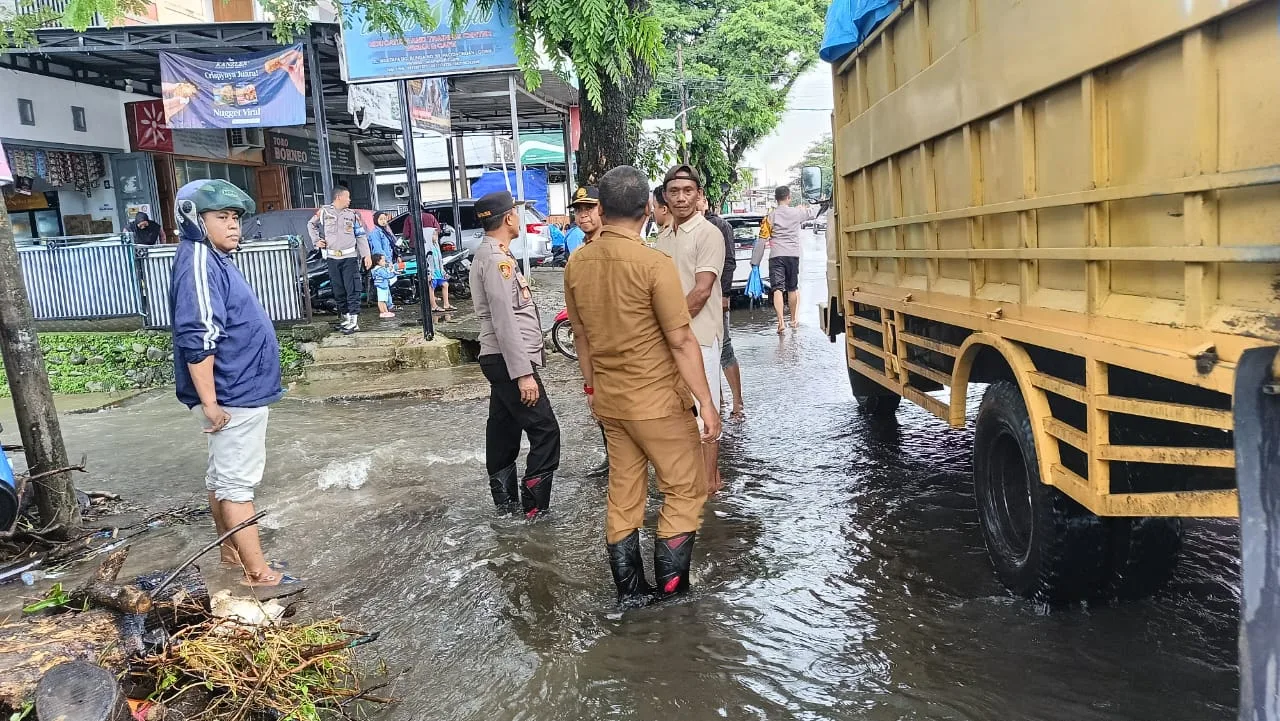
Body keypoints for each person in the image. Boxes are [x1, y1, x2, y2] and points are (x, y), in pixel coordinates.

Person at [565, 165, 720, 605]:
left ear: (604, 208)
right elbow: (681, 338)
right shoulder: (655, 263)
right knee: (684, 490)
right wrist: (706, 403)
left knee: (625, 493)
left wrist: (593, 390)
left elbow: (580, 336)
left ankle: (630, 596)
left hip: (611, 403)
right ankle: (672, 597)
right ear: (648, 209)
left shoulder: (577, 263)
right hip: (657, 404)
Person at [169, 179, 293, 587]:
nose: (233, 226)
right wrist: (210, 402)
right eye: (221, 217)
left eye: (235, 217)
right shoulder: (200, 261)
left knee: (221, 480)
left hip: (236, 390)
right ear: (193, 219)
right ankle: (259, 574)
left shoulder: (210, 258)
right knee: (237, 486)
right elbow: (198, 337)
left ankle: (231, 557)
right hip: (232, 393)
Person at [469, 190, 561, 519]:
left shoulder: (492, 254)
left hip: (500, 359)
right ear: (508, 218)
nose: (518, 219)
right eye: (517, 214)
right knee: (546, 431)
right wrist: (523, 374)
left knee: (503, 430)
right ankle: (533, 511)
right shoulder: (496, 260)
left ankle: (506, 508)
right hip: (507, 360)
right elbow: (503, 319)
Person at [656, 165, 726, 496]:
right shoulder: (662, 237)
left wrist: (668, 327)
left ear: (699, 196)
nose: (681, 197)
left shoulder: (708, 234)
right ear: (665, 198)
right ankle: (690, 484)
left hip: (700, 341)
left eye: (688, 191)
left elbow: (701, 292)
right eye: (674, 192)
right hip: (669, 342)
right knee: (676, 417)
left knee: (705, 415)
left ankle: (711, 484)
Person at [751, 185, 830, 334]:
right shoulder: (797, 213)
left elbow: (762, 239)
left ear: (776, 199)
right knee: (792, 288)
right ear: (788, 198)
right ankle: (793, 320)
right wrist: (825, 202)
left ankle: (780, 322)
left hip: (776, 256)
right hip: (793, 255)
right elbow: (815, 212)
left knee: (777, 289)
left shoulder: (770, 217)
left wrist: (755, 262)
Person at [701, 197, 745, 418]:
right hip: (696, 299)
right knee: (705, 349)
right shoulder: (681, 229)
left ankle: (738, 403)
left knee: (724, 347)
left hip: (717, 296)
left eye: (695, 196)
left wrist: (725, 294)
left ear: (703, 200)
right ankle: (716, 400)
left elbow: (729, 261)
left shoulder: (720, 226)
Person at [308, 188, 370, 335]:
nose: (350, 200)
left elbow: (361, 235)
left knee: (352, 289)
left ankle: (354, 322)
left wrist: (366, 255)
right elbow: (311, 225)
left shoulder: (353, 215)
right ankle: (346, 319)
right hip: (332, 258)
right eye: (347, 197)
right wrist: (317, 241)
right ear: (338, 197)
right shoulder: (324, 212)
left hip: (349, 257)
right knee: (338, 290)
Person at [422, 222, 454, 312]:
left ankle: (446, 304)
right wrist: (429, 273)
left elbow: (439, 260)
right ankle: (433, 306)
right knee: (431, 288)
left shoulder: (436, 246)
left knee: (445, 284)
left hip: (438, 271)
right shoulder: (427, 248)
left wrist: (443, 271)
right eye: (434, 235)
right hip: (431, 272)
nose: (436, 236)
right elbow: (426, 262)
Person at [565, 186, 601, 253]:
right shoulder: (578, 251)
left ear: (601, 209)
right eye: (578, 210)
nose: (583, 215)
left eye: (589, 208)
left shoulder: (612, 244)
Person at [370, 253, 398, 319]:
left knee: (384, 300)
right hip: (381, 286)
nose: (384, 262)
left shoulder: (379, 268)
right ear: (377, 262)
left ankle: (386, 311)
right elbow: (386, 275)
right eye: (383, 261)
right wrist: (394, 273)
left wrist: (390, 266)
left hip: (383, 286)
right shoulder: (379, 269)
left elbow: (386, 266)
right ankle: (382, 312)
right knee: (381, 300)